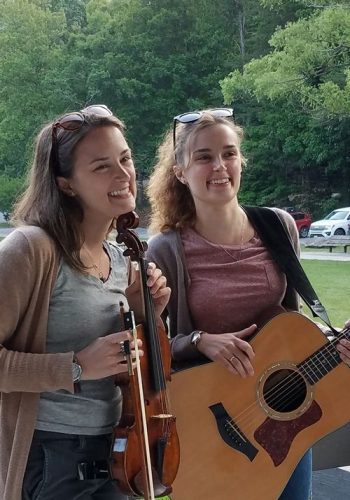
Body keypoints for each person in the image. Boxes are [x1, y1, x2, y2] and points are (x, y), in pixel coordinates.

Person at [146, 108, 350, 499]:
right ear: (180, 171)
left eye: (229, 153)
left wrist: (334, 343)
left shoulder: (279, 227)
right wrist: (199, 340)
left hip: (286, 416)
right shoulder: (166, 249)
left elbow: (289, 326)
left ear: (241, 160)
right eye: (204, 156)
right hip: (209, 424)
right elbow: (148, 352)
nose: (219, 166)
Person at [0, 104, 170, 500]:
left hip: (117, 452)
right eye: (101, 166)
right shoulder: (32, 249)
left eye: (125, 159)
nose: (123, 174)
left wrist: (147, 313)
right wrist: (75, 366)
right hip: (52, 456)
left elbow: (131, 367)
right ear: (66, 183)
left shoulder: (120, 260)